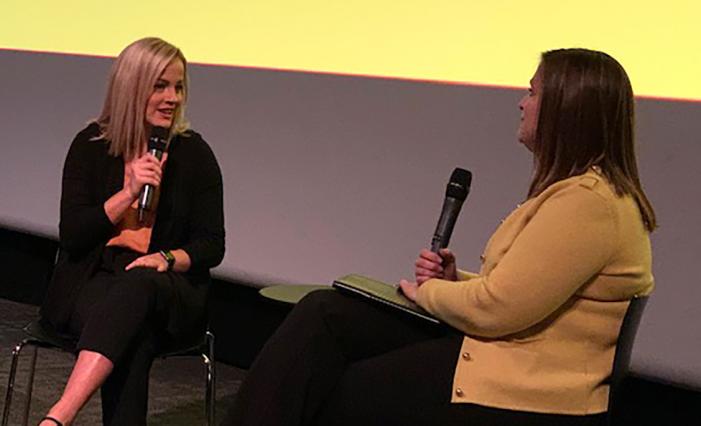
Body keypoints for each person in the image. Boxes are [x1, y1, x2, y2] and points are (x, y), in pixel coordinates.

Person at [222, 48, 656, 426]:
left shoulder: (587, 204)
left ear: (566, 110)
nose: (522, 103)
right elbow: (522, 292)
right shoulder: (580, 195)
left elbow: (496, 309)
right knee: (325, 313)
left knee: (336, 391)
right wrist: (456, 281)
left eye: (533, 92)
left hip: (519, 385)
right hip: (500, 357)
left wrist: (428, 292)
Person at [38, 37, 225, 426]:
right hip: (95, 278)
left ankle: (59, 416)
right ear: (132, 87)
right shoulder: (91, 146)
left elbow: (212, 245)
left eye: (178, 86)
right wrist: (126, 194)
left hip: (168, 285)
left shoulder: (195, 154)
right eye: (160, 86)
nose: (172, 97)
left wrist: (168, 258)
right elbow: (72, 236)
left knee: (138, 284)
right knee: (131, 335)